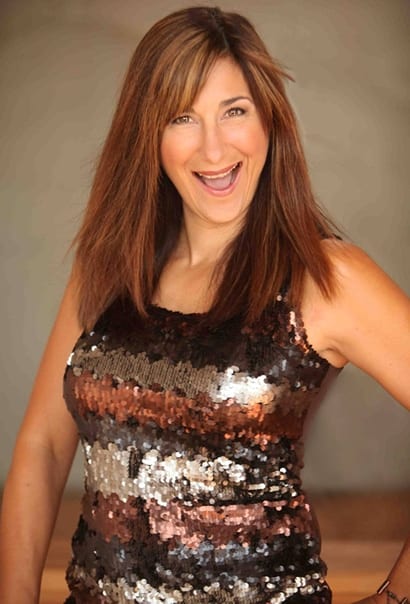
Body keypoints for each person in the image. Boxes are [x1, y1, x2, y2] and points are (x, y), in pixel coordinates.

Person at [0, 6, 409, 604]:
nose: (214, 147)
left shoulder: (325, 276)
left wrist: (396, 597)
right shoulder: (109, 266)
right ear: (149, 134)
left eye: (234, 111)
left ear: (269, 119)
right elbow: (43, 446)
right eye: (182, 117)